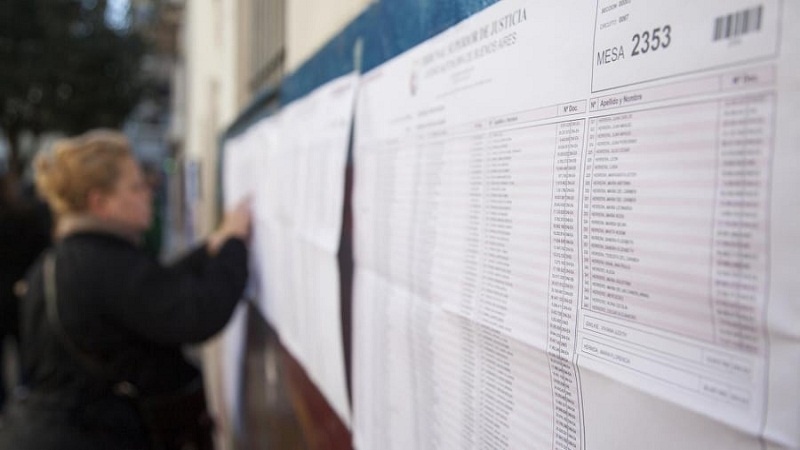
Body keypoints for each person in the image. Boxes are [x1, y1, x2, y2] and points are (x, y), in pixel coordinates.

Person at [0, 130, 251, 449]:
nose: (148, 192)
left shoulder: (61, 260)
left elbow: (156, 289)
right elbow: (195, 313)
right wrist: (235, 244)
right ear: (100, 202)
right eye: (135, 186)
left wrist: (211, 249)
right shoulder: (104, 263)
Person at [0, 173, 50, 412]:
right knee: (28, 358)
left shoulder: (25, 217)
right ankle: (27, 403)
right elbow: (42, 252)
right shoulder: (27, 217)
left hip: (11, 298)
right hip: (22, 296)